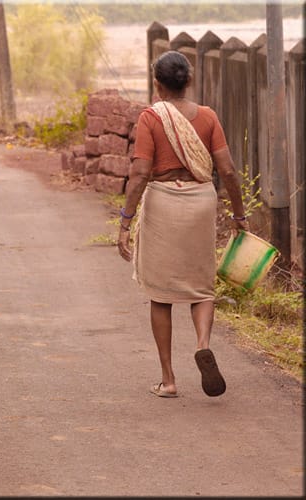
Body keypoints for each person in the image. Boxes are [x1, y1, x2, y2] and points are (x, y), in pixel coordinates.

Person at [117, 50, 249, 399]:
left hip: (163, 203)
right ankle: (203, 344)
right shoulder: (207, 117)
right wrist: (239, 216)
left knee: (161, 294)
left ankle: (169, 379)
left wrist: (125, 221)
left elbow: (141, 172)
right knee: (201, 287)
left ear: (157, 84)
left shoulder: (151, 118)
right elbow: (229, 172)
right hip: (200, 202)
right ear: (188, 81)